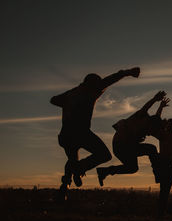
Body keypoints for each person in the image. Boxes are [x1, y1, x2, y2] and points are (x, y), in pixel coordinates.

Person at [50, 67, 140, 197]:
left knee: (72, 160)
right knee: (104, 155)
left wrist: (69, 98)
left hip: (65, 136)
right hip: (81, 133)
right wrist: (127, 72)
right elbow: (109, 80)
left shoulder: (72, 93)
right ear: (93, 85)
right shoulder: (91, 91)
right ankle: (80, 168)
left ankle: (65, 187)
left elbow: (53, 100)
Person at [96, 91, 166, 186]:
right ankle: (159, 175)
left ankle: (104, 171)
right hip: (121, 145)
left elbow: (157, 117)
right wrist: (154, 99)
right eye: (151, 131)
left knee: (132, 168)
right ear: (150, 124)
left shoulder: (150, 125)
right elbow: (146, 108)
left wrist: (161, 107)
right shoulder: (141, 117)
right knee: (151, 149)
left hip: (126, 148)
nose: (150, 134)